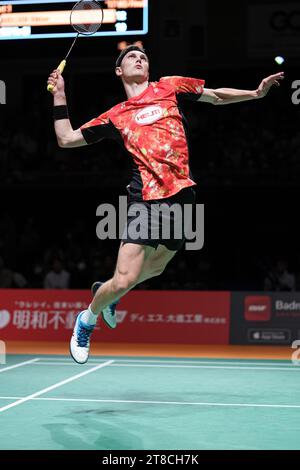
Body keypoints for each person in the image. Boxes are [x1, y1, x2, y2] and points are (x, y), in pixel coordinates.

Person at [47, 46, 284, 364]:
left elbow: (214, 96)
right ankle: (87, 320)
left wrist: (255, 93)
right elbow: (65, 138)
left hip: (183, 194)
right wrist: (59, 94)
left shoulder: (169, 86)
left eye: (143, 56)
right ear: (119, 71)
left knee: (156, 267)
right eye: (131, 57)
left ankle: (108, 293)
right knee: (125, 279)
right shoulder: (116, 116)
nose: (139, 58)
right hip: (145, 198)